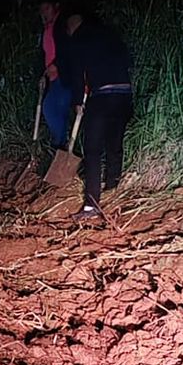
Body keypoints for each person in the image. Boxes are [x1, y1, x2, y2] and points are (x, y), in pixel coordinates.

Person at [65, 12, 133, 218]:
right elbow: (128, 60)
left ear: (73, 25)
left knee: (93, 150)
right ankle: (113, 186)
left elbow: (77, 74)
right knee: (115, 144)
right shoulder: (111, 34)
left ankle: (91, 205)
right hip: (124, 93)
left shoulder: (79, 39)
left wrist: (78, 101)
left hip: (102, 96)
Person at [37, 0, 74, 149]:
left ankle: (59, 146)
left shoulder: (62, 24)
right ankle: (59, 146)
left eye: (47, 8)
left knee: (51, 107)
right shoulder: (47, 28)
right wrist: (43, 73)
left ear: (56, 6)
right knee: (54, 109)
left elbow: (68, 49)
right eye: (42, 10)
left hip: (64, 75)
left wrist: (57, 65)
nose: (44, 13)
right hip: (52, 77)